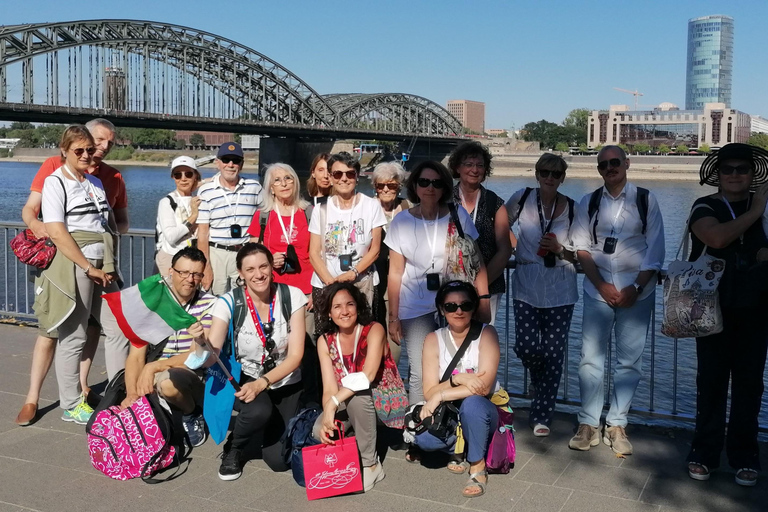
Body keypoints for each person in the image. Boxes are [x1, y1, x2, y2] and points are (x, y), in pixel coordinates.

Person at [16, 118, 127, 426]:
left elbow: (110, 222)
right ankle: (70, 403)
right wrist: (87, 266)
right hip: (77, 264)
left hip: (104, 263)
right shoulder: (56, 181)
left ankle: (117, 394)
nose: (88, 155)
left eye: (90, 150)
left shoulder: (95, 182)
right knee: (73, 333)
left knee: (118, 327)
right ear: (64, 150)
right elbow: (56, 230)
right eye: (80, 150)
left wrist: (108, 262)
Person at [569, 145, 665, 455]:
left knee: (629, 362)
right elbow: (582, 249)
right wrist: (601, 285)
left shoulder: (645, 200)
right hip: (597, 292)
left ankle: (617, 423)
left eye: (614, 162)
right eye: (603, 165)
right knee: (590, 359)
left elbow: (655, 250)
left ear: (626, 163)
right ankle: (588, 423)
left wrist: (635, 287)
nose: (609, 168)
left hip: (637, 294)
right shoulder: (589, 201)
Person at [685, 143, 768, 487]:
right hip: (710, 309)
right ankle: (704, 452)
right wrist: (756, 211)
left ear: (753, 174)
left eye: (742, 169)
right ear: (717, 174)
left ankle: (744, 455)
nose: (735, 175)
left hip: (756, 308)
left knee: (750, 385)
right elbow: (715, 238)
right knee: (712, 382)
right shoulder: (705, 205)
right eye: (729, 169)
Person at [207, 243, 307, 480]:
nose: (258, 274)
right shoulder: (228, 302)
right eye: (250, 269)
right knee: (259, 410)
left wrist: (263, 383)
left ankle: (265, 422)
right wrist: (201, 342)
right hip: (246, 378)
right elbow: (213, 351)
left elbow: (296, 356)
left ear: (272, 266)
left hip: (285, 380)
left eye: (263, 266)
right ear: (240, 273)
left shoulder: (292, 296)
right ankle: (235, 447)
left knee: (279, 461)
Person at [505, 153, 578, 437]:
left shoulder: (572, 207)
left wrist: (561, 249)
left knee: (554, 353)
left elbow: (582, 251)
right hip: (526, 283)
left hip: (561, 286)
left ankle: (541, 414)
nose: (550, 178)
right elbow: (502, 226)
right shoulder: (521, 199)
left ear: (562, 178)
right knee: (526, 346)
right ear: (536, 174)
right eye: (545, 172)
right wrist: (515, 247)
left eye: (556, 174)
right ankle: (537, 378)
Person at [412, 280, 500, 499]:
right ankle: (458, 448)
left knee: (472, 405)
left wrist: (441, 393)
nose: (458, 311)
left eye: (465, 305)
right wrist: (459, 379)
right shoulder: (433, 339)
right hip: (449, 414)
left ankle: (477, 466)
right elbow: (428, 391)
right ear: (442, 310)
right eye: (451, 306)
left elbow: (483, 387)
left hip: (482, 409)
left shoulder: (487, 334)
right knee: (424, 440)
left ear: (474, 307)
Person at [121, 247, 216, 447]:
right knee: (132, 397)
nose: (189, 279)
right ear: (171, 271)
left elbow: (195, 356)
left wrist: (153, 367)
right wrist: (131, 395)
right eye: (183, 273)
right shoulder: (154, 302)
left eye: (196, 274)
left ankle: (192, 413)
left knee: (168, 382)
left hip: (191, 374)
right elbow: (136, 354)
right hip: (155, 371)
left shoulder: (210, 305)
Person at [313, 282, 388, 491]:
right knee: (319, 430)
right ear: (328, 312)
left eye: (350, 304)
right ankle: (355, 440)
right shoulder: (324, 341)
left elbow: (368, 375)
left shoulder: (374, 329)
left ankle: (371, 464)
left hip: (378, 397)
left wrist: (333, 403)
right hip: (344, 400)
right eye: (337, 307)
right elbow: (329, 387)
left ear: (358, 307)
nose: (344, 311)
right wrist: (328, 413)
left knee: (358, 396)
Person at [308, 152, 386, 317]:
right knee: (327, 339)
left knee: (363, 337)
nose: (344, 178)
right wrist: (332, 283)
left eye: (350, 173)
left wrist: (353, 273)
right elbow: (314, 253)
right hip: (325, 285)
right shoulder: (320, 209)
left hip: (361, 285)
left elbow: (375, 250)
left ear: (357, 177)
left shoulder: (372, 206)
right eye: (337, 174)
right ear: (330, 177)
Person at [449, 141, 512, 325]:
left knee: (482, 341)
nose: (474, 170)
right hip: (450, 286)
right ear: (457, 168)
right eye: (468, 164)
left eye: (480, 165)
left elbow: (505, 250)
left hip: (488, 289)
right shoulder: (445, 200)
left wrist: (478, 287)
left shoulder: (494, 202)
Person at [197, 142, 264, 295]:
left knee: (245, 299)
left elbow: (267, 218)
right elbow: (202, 233)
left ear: (242, 164)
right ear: (218, 163)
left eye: (236, 160)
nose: (231, 164)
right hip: (216, 254)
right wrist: (206, 267)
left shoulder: (254, 188)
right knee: (215, 301)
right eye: (226, 160)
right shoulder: (206, 191)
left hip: (245, 252)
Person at [371, 161, 411, 363]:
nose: (386, 189)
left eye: (392, 185)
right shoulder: (367, 208)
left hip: (401, 284)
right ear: (375, 187)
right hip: (373, 282)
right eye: (381, 185)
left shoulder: (408, 208)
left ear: (399, 186)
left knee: (395, 339)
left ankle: (392, 382)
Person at [155, 156, 202, 273]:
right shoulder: (167, 202)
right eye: (178, 175)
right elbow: (171, 237)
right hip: (171, 258)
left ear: (195, 175)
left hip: (193, 259)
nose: (183, 179)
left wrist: (204, 183)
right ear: (173, 177)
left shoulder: (198, 199)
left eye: (188, 174)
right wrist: (193, 217)